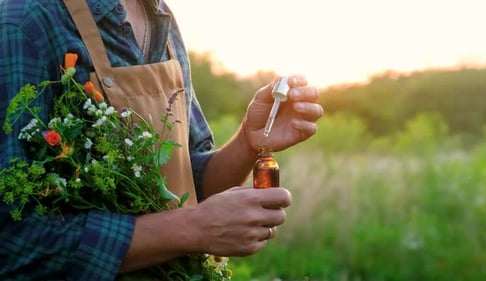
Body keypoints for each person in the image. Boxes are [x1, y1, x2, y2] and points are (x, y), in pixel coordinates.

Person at [0, 0, 323, 280]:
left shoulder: (159, 15)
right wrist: (191, 228)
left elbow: (185, 181)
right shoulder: (25, 20)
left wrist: (248, 143)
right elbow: (13, 243)